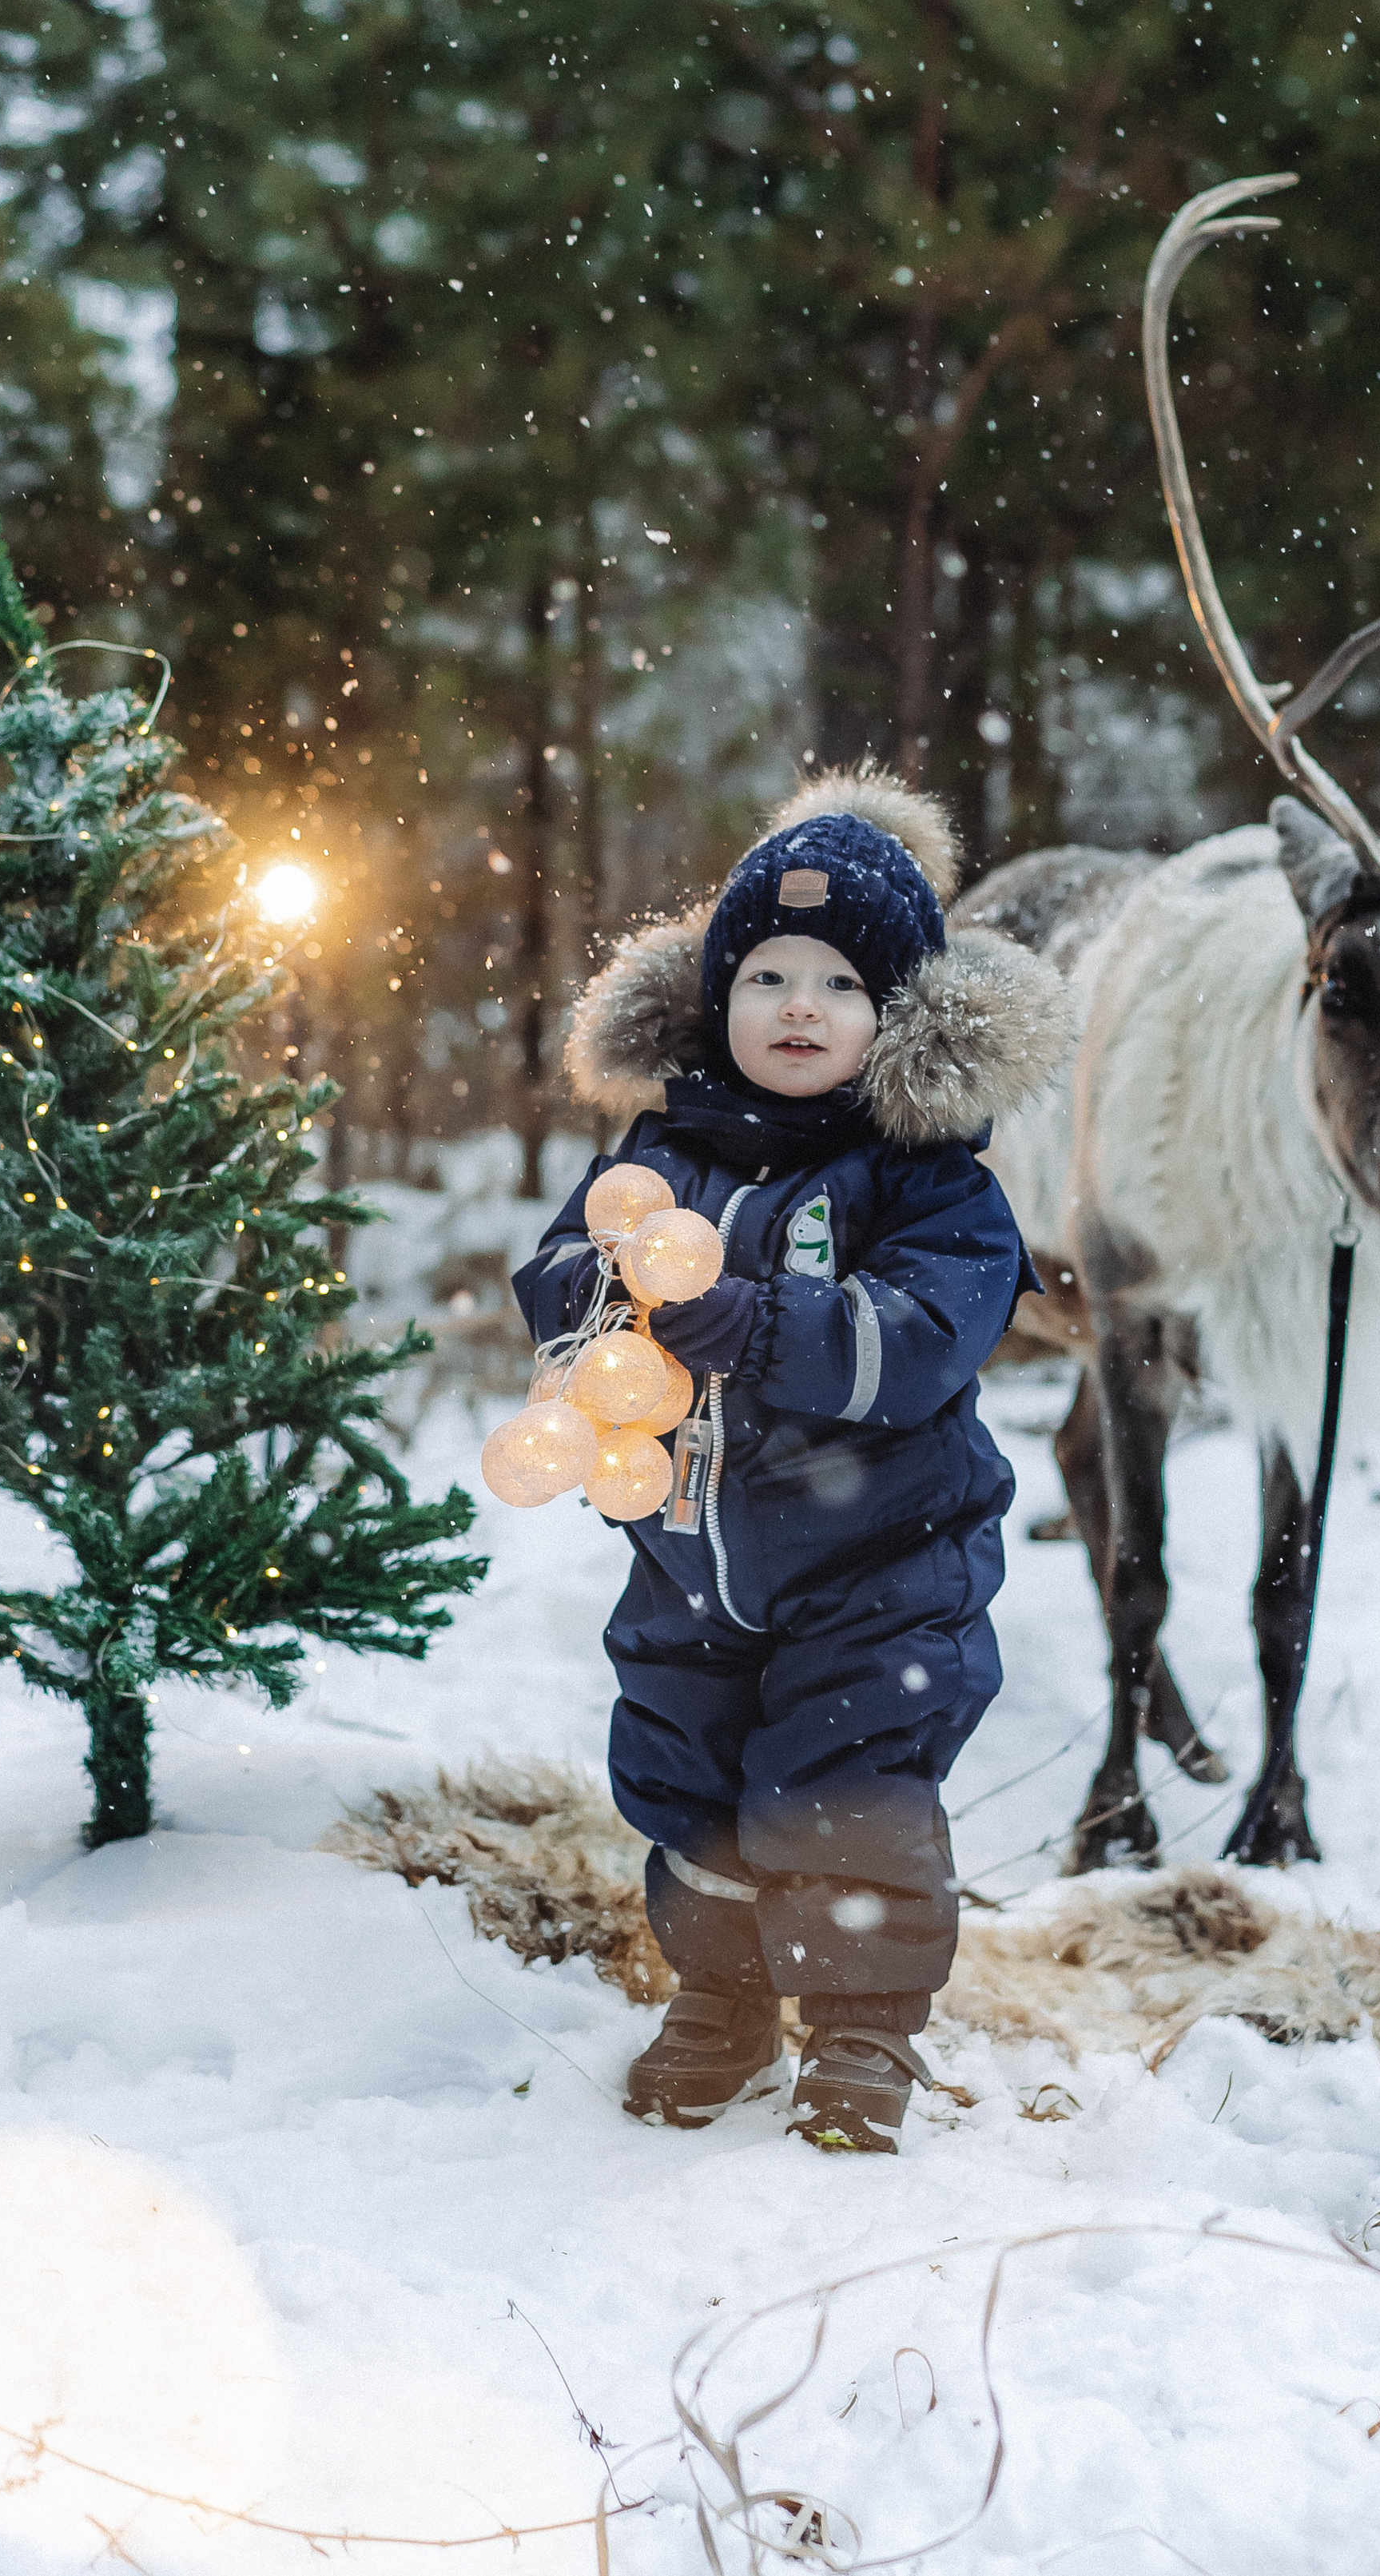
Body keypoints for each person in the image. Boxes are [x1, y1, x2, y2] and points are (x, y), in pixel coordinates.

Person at [511, 769, 1068, 2152]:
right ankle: (722, 2000)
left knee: (850, 1792)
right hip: (689, 1552)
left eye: (837, 982)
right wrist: (595, 1310)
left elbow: (924, 1337)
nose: (800, 1005)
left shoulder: (928, 1180)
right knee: (686, 1778)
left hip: (879, 1568)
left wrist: (769, 1322)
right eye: (767, 974)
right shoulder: (660, 1155)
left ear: (896, 1020)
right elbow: (562, 1265)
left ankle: (866, 2031)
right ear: (718, 1000)